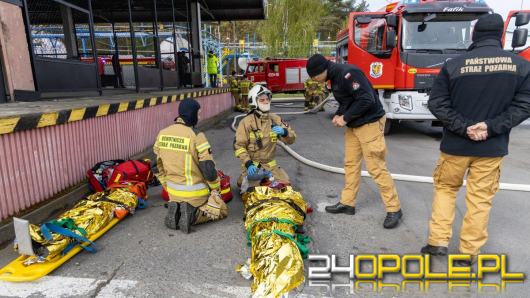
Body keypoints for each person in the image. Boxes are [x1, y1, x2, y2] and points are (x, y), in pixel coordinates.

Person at [420, 14, 530, 265]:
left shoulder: (453, 65)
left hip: (455, 146)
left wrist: (464, 127)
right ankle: (468, 253)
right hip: (491, 148)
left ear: (474, 35)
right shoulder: (521, 66)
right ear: (501, 35)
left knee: (446, 190)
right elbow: (524, 105)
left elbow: (437, 103)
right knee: (480, 199)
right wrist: (490, 127)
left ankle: (437, 242)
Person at [306, 54, 402, 229]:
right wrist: (339, 114)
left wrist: (346, 117)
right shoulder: (334, 78)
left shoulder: (348, 73)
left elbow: (367, 99)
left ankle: (394, 209)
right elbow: (348, 100)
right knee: (350, 164)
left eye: (315, 77)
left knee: (376, 168)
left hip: (370, 124)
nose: (315, 80)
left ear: (322, 70)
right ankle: (348, 203)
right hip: (355, 125)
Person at [154, 98, 228, 234]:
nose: (199, 117)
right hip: (195, 195)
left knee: (180, 199)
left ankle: (177, 209)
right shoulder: (196, 136)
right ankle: (192, 215)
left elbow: (158, 165)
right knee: (222, 210)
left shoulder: (162, 133)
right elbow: (208, 169)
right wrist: (215, 190)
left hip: (172, 192)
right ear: (192, 113)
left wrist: (166, 185)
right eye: (198, 113)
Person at [234, 85, 296, 189]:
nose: (266, 102)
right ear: (254, 102)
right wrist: (248, 163)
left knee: (285, 186)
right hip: (254, 167)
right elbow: (239, 146)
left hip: (271, 166)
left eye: (267, 99)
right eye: (262, 100)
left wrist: (284, 132)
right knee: (250, 189)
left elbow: (292, 138)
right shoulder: (246, 122)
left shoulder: (275, 119)